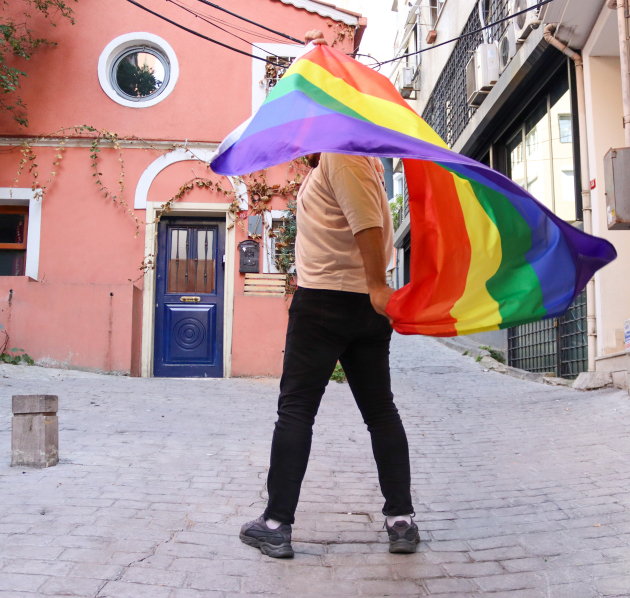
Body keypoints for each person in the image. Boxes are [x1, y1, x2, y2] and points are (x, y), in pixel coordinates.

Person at [239, 30, 418, 559]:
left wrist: (380, 288)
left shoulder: (344, 156)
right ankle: (400, 520)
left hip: (330, 304)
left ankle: (276, 524)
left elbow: (366, 226)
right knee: (379, 411)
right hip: (354, 304)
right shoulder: (352, 160)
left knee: (296, 411)